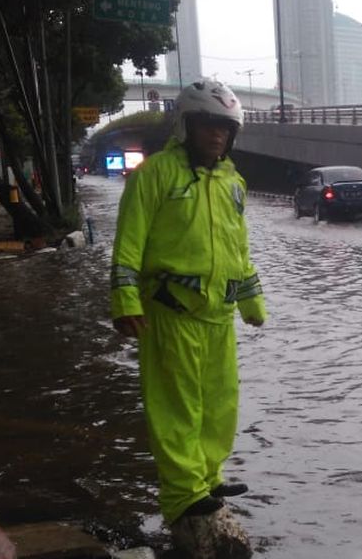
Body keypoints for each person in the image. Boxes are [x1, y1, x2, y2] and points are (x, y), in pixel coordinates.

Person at [110, 79, 267, 531]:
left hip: (217, 317)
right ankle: (183, 496)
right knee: (176, 407)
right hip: (171, 311)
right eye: (208, 126)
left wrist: (251, 300)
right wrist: (124, 301)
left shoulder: (232, 183)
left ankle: (208, 478)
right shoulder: (155, 175)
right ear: (187, 126)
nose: (217, 136)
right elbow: (128, 245)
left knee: (219, 404)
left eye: (224, 129)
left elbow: (238, 249)